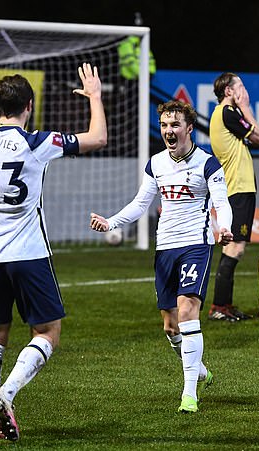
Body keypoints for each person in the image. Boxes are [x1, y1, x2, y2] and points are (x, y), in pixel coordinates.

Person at [0, 63, 106, 441]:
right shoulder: (37, 143)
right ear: (29, 106)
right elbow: (98, 138)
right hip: (29, 255)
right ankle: (7, 393)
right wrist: (95, 96)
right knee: (48, 331)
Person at [90, 100, 233, 414]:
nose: (169, 131)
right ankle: (200, 369)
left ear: (189, 129)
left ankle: (189, 394)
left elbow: (222, 201)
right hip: (165, 248)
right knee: (171, 327)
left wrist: (225, 227)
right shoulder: (155, 163)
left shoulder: (208, 163)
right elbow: (141, 203)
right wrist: (111, 222)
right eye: (165, 125)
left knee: (187, 311)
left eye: (175, 125)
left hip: (196, 244)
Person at [207, 72, 259, 322]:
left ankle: (224, 305)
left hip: (237, 187)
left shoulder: (226, 115)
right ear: (229, 91)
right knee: (235, 247)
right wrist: (246, 107)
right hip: (237, 188)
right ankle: (219, 307)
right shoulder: (228, 113)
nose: (244, 90)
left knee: (233, 246)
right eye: (239, 86)